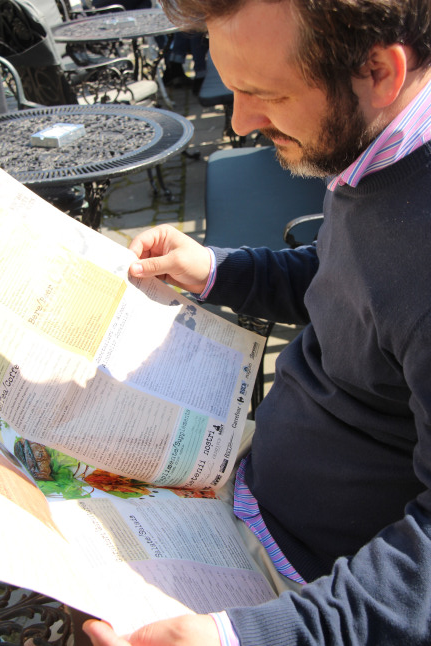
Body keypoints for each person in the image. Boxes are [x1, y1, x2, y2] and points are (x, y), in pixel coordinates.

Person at [83, 0, 431, 644]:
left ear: (379, 71)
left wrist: (243, 637)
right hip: (251, 485)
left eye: (266, 94)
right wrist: (218, 269)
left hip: (311, 587)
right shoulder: (377, 148)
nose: (240, 122)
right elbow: (347, 284)